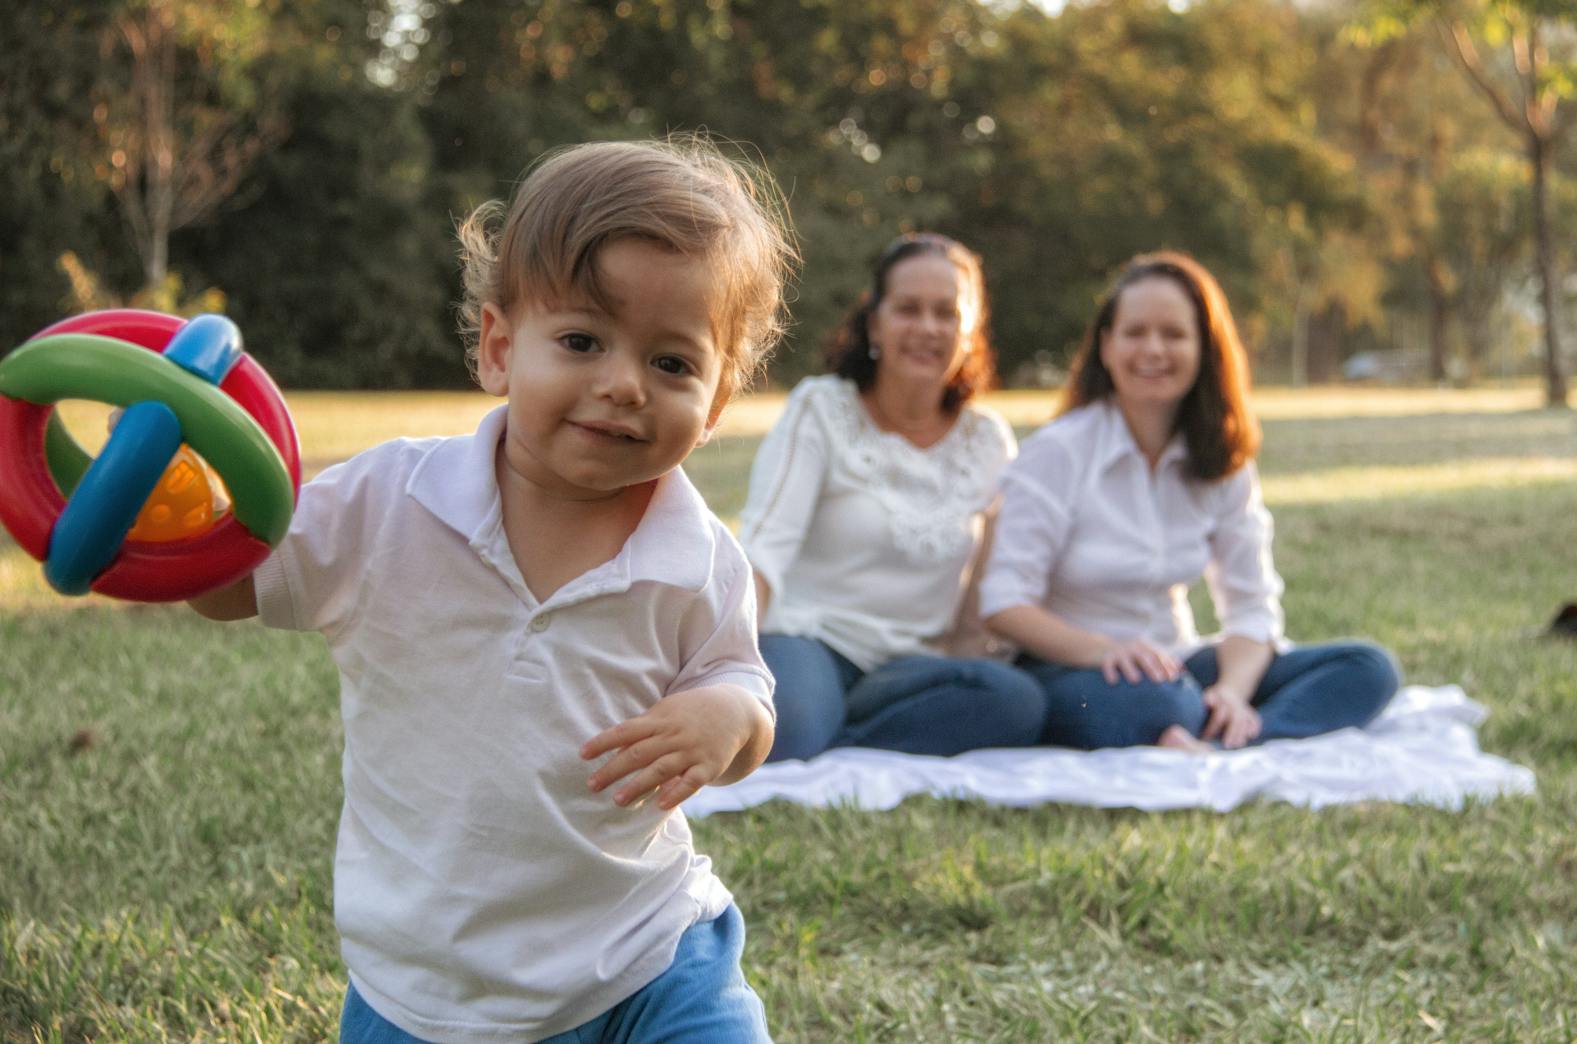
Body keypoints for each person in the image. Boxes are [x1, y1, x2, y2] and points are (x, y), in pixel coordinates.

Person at [189, 140, 796, 1043]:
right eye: (582, 341)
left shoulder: (699, 555)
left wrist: (724, 721)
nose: (625, 384)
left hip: (649, 955)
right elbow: (231, 586)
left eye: (673, 364)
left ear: (714, 406)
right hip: (430, 986)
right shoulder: (387, 501)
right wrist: (173, 517)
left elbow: (747, 690)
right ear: (500, 348)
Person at [981, 251, 1400, 752]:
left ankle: (1232, 735)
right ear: (1107, 347)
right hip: (1073, 670)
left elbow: (1252, 608)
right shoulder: (1058, 452)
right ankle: (1188, 728)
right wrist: (1107, 650)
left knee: (1368, 668)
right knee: (1154, 702)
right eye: (1135, 333)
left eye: (1174, 334)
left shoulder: (1222, 459)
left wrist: (1231, 692)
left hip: (1177, 662)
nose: (1153, 349)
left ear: (1205, 348)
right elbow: (1004, 602)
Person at [738, 233, 1046, 762]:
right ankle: (823, 727)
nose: (927, 328)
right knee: (789, 725)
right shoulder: (820, 409)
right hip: (809, 640)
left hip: (912, 667)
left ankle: (837, 738)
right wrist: (727, 662)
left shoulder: (988, 440)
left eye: (946, 313)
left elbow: (984, 585)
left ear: (968, 331)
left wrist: (974, 665)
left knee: (1015, 702)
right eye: (908, 309)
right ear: (875, 322)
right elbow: (764, 548)